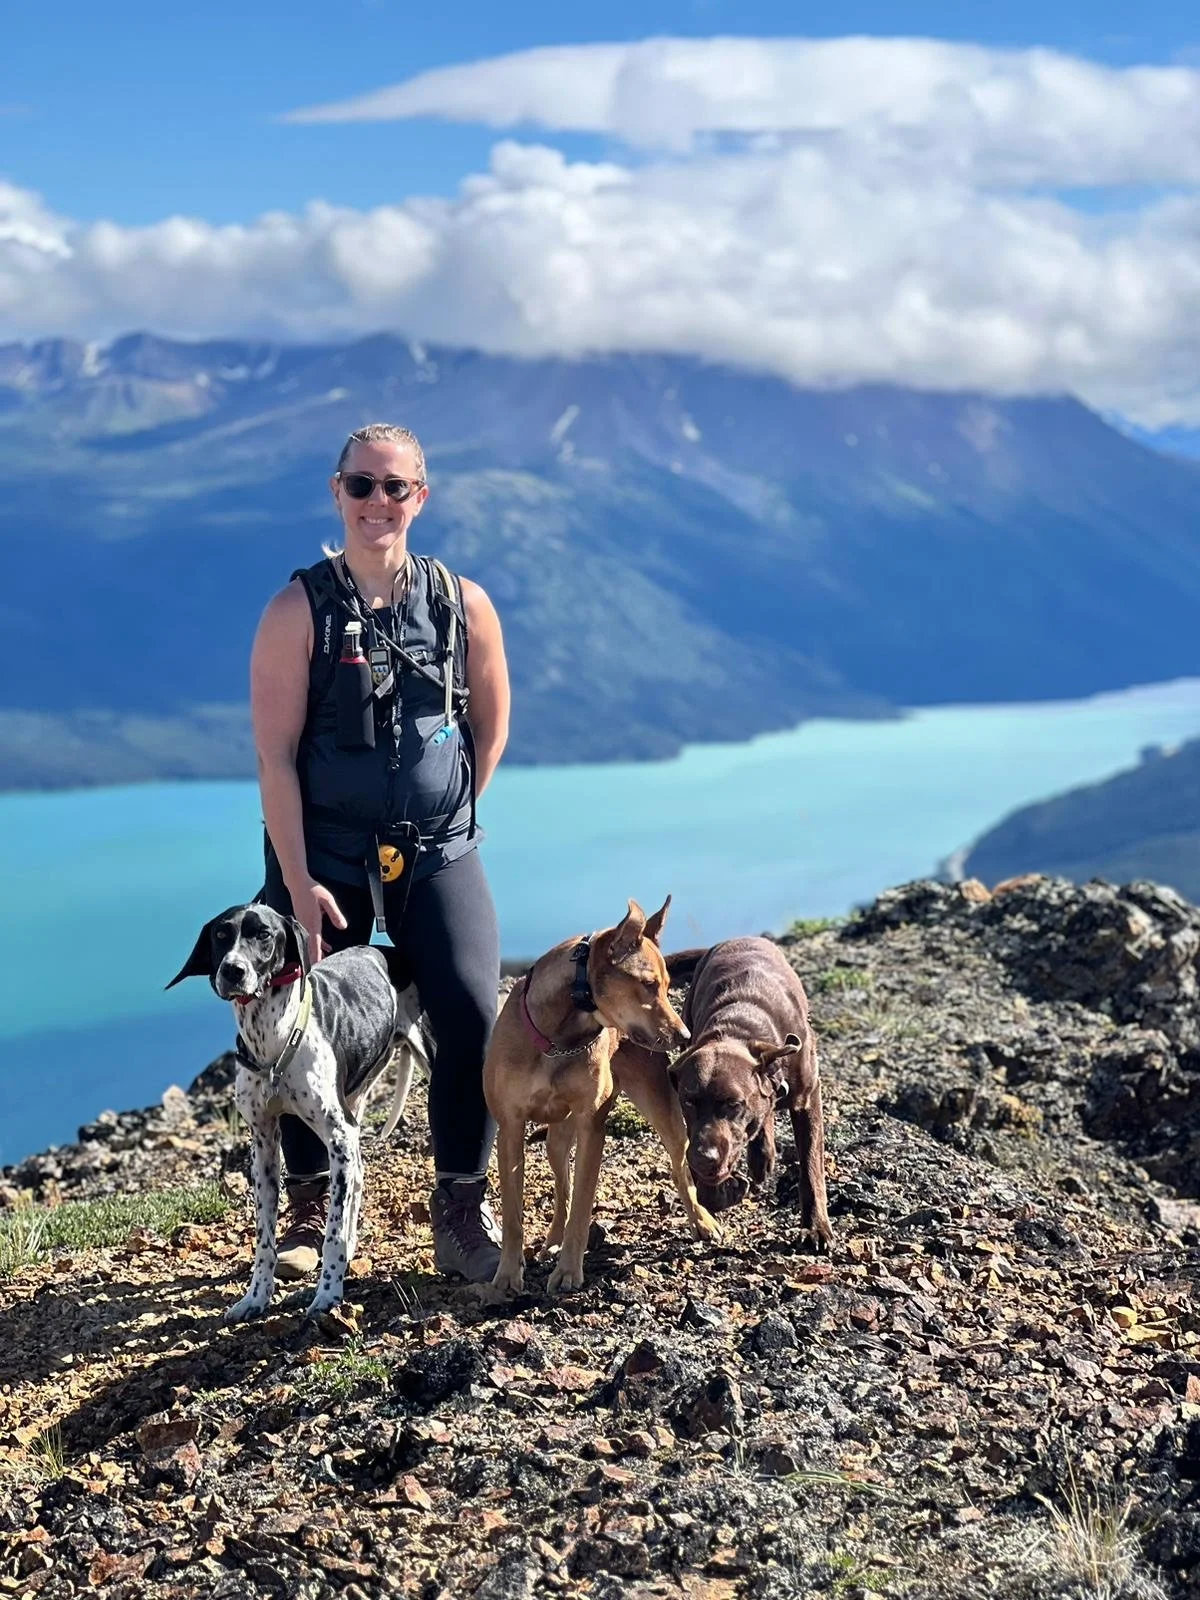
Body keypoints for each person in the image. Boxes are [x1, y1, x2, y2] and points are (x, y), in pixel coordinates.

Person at [249, 421, 510, 1283]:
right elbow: (276, 758)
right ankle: (310, 1201)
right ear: (337, 492)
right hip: (321, 853)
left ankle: (459, 1208)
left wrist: (456, 810)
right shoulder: (299, 611)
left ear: (420, 497)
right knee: (295, 1014)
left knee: (471, 1010)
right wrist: (295, 884)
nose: (377, 503)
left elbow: (490, 722)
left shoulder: (462, 603)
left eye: (395, 487)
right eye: (361, 485)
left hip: (436, 849)